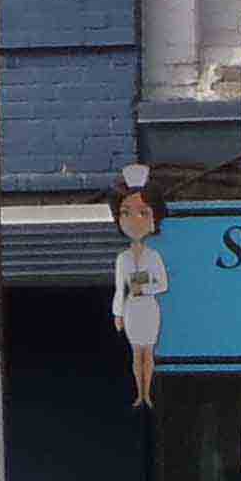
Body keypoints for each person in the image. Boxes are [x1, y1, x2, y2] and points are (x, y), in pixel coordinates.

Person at [109, 170, 168, 407]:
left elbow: (163, 283)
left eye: (143, 213)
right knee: (136, 352)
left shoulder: (154, 255)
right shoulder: (122, 258)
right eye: (126, 213)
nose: (135, 220)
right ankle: (139, 392)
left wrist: (144, 287)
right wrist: (118, 313)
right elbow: (119, 289)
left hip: (148, 307)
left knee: (148, 352)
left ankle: (148, 392)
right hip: (132, 309)